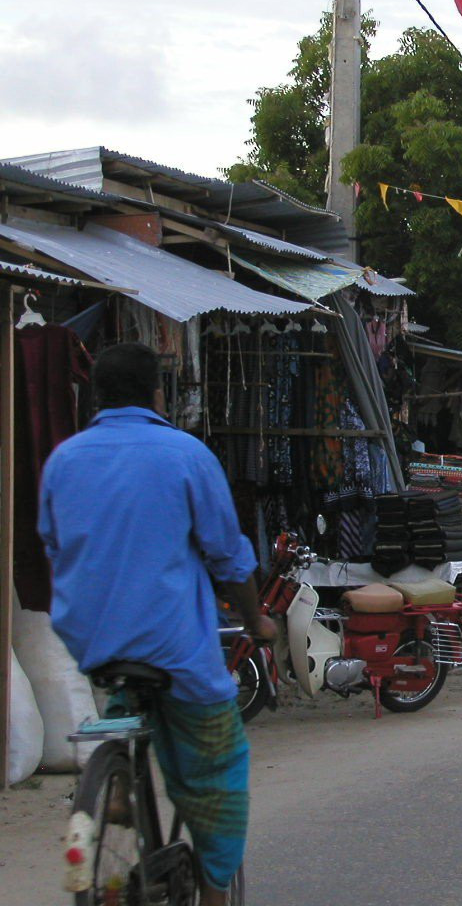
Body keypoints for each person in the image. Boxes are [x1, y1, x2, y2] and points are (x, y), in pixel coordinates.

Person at [39, 344, 274, 906]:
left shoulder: (63, 460)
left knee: (127, 685)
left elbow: (53, 546)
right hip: (171, 647)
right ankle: (217, 888)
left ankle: (116, 779)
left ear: (95, 396)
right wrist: (255, 619)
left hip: (90, 639)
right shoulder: (186, 455)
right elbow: (228, 557)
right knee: (217, 766)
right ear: (158, 395)